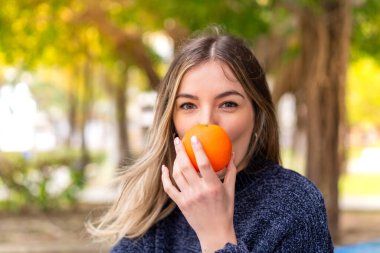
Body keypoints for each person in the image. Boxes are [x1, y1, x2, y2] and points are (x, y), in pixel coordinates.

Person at [88, 32, 334, 253]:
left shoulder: (296, 205)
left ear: (257, 116)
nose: (206, 122)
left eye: (228, 104)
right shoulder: (160, 208)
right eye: (188, 106)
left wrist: (217, 236)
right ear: (171, 122)